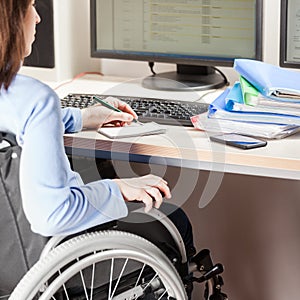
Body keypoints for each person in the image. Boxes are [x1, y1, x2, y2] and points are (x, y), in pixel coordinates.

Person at [0, 0, 195, 250]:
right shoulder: (37, 99)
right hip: (57, 262)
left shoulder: (20, 98)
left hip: (8, 264)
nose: (37, 18)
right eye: (31, 6)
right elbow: (52, 216)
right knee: (175, 221)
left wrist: (84, 117)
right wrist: (118, 188)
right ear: (11, 20)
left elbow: (21, 115)